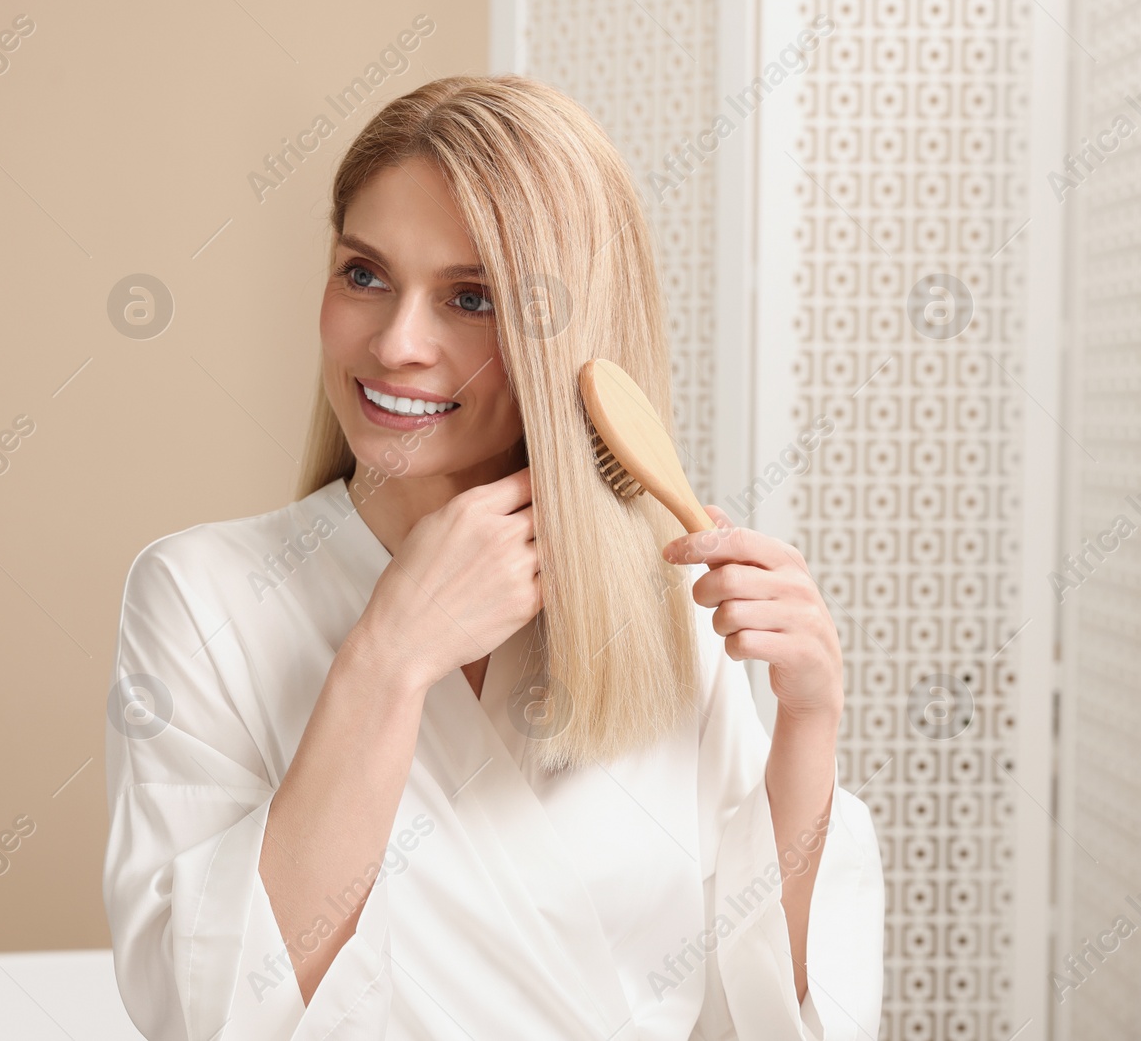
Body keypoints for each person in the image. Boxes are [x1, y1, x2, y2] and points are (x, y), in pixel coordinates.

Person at [102, 75, 883, 1040]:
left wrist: (808, 720)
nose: (398, 342)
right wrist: (387, 658)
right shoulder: (200, 598)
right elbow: (206, 1012)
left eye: (471, 296)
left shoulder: (670, 599)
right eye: (364, 273)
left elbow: (766, 1008)